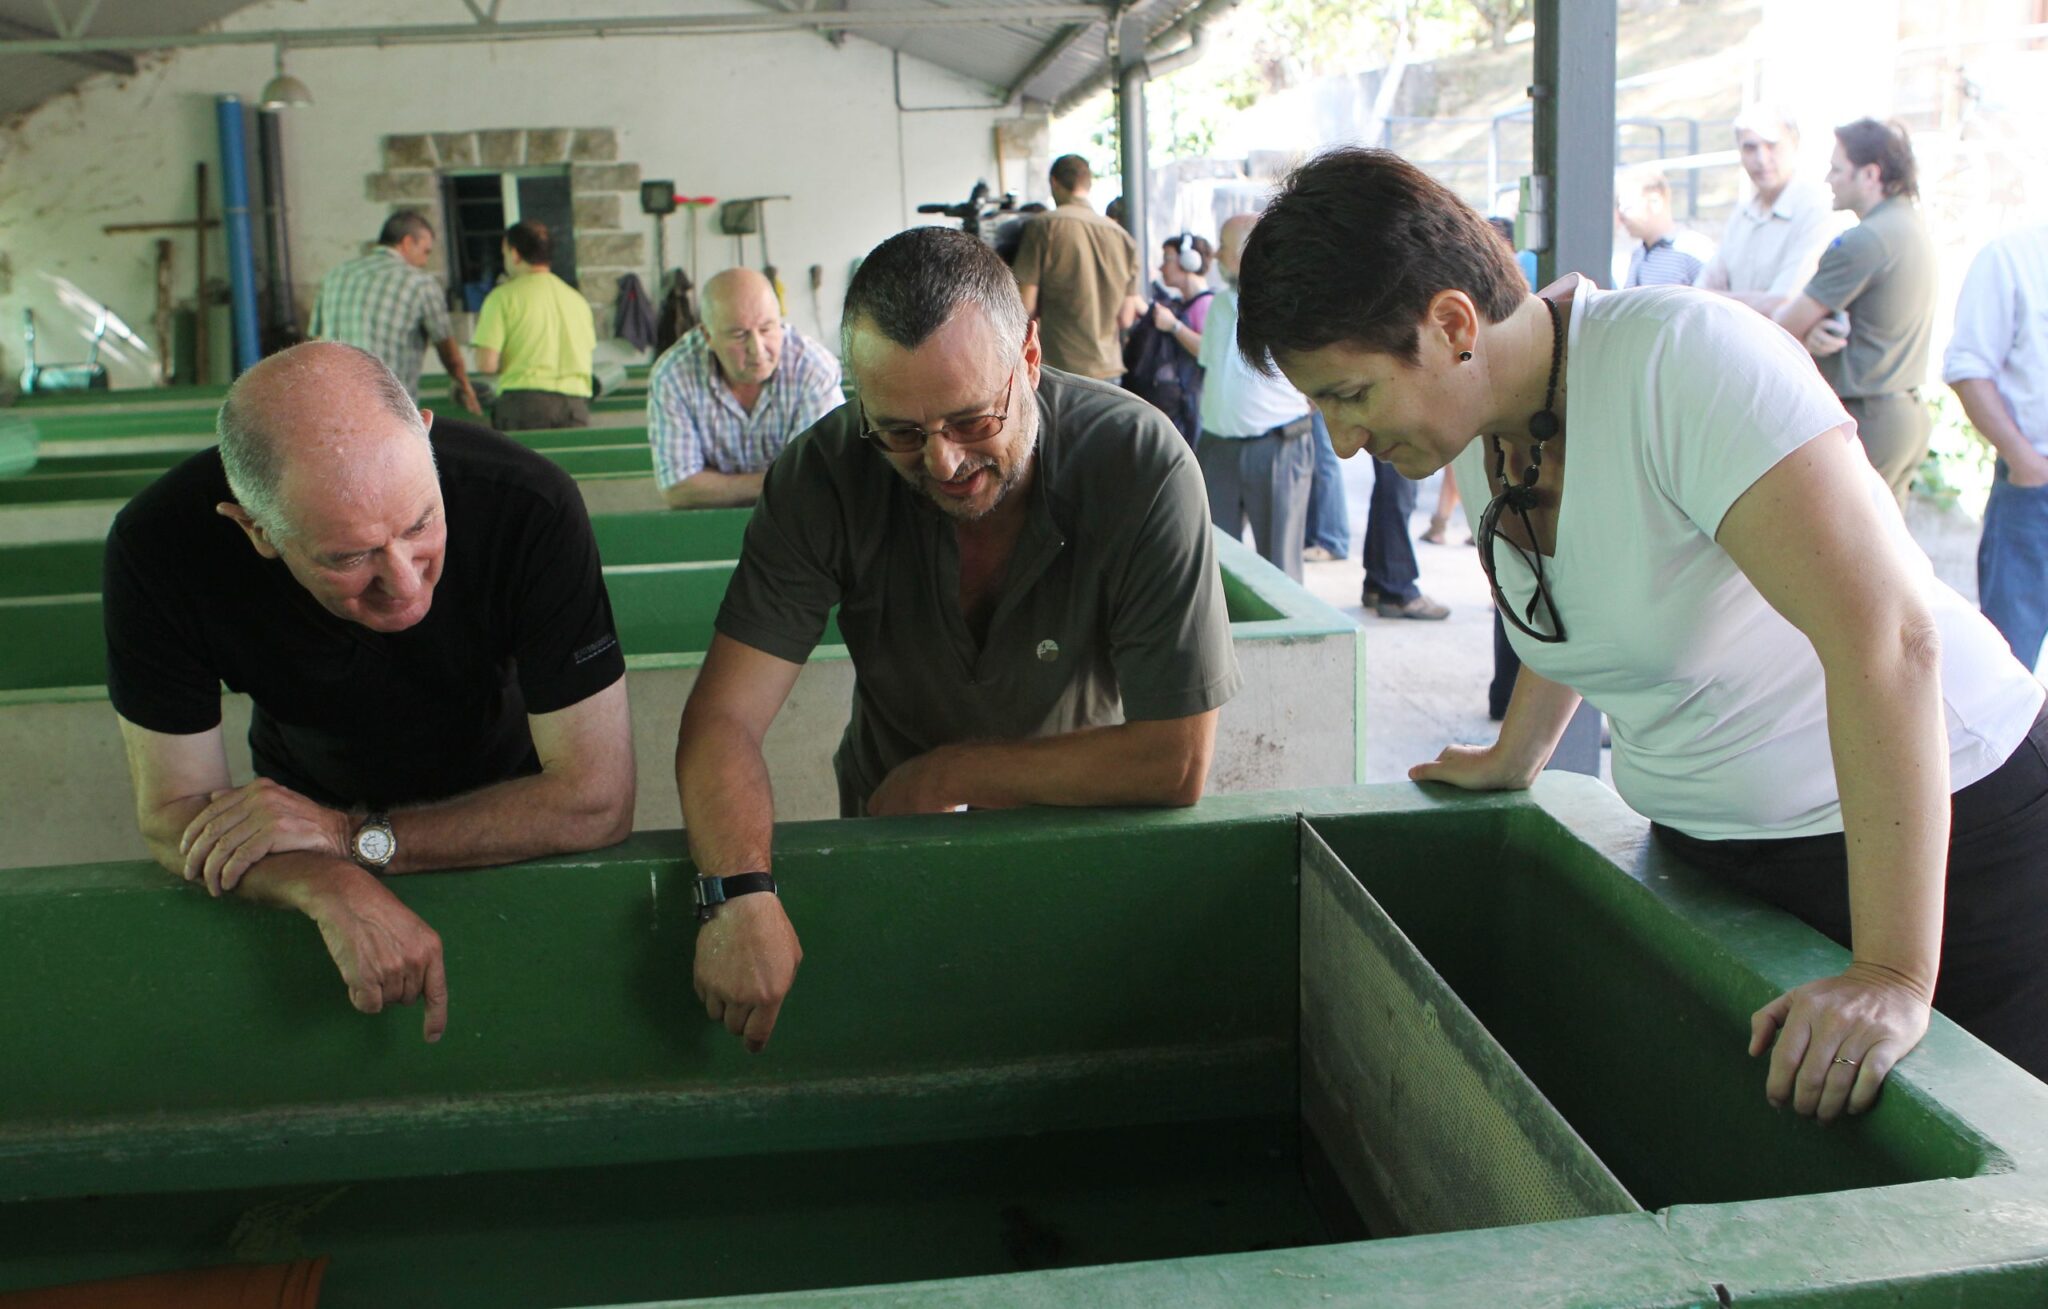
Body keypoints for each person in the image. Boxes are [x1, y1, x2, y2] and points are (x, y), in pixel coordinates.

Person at [1236, 147, 2048, 1119]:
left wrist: (1890, 969)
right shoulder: (1491, 419)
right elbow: (1581, 598)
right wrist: (1515, 750)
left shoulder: (1684, 362)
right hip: (1725, 855)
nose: (1338, 440)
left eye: (1348, 394)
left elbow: (1888, 637)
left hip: (1951, 839)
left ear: (1452, 324)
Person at [675, 226, 1242, 1052]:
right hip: (887, 830)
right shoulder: (823, 474)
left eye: (974, 419)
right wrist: (738, 891)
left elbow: (1177, 760)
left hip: (1075, 829)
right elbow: (722, 719)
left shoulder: (1139, 464)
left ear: (1032, 360)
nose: (942, 462)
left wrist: (952, 771)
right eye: (899, 431)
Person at [102, 341, 635, 1041]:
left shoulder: (530, 503)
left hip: (508, 799)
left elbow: (595, 799)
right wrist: (323, 879)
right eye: (348, 557)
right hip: (298, 815)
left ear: (428, 435)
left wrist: (353, 842)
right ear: (255, 530)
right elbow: (174, 812)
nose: (407, 584)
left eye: (421, 525)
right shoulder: (158, 548)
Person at [1775, 119, 1938, 504]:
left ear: (1870, 174)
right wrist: (1818, 332)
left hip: (1870, 417)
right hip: (1901, 411)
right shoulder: (1909, 224)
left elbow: (1783, 329)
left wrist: (1807, 331)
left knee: (1842, 556)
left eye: (1836, 168)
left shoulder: (1867, 240)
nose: (1828, 178)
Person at [646, 267, 844, 509]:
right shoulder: (673, 375)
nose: (757, 349)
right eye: (739, 334)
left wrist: (712, 481)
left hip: (800, 524)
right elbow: (678, 489)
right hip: (709, 526)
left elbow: (821, 482)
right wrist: (785, 481)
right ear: (707, 336)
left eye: (767, 329)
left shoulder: (814, 369)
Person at [1945, 224, 2048, 670]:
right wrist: (2026, 464)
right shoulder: (2011, 257)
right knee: (2010, 670)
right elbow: (1968, 368)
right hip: (2035, 490)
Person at [1192, 213, 1317, 581]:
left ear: (1247, 253)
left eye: (1224, 248)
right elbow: (1211, 368)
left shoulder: (1290, 304)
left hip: (1277, 446)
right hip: (1218, 448)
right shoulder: (1219, 305)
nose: (1214, 255)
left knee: (1280, 566)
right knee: (1214, 563)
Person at [307, 209, 481, 415]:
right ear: (407, 242)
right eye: (425, 251)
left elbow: (315, 342)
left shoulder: (335, 276)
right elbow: (447, 349)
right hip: (390, 409)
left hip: (337, 404)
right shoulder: (420, 283)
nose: (425, 262)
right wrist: (464, 385)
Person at [1693, 107, 1845, 317]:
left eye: (1772, 146)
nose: (1761, 159)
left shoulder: (1816, 209)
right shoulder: (1742, 213)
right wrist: (1758, 299)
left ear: (1794, 145)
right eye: (1750, 148)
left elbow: (1784, 302)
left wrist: (1718, 297)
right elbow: (1697, 292)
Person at [1012, 155, 1143, 382]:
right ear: (1088, 185)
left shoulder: (1044, 226)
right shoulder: (1123, 238)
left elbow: (1026, 307)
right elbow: (1126, 319)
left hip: (1061, 370)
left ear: (1054, 182)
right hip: (1109, 371)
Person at [471, 220, 597, 431]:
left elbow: (487, 364)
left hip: (525, 405)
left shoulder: (503, 298)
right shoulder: (577, 300)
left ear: (515, 254)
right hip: (576, 405)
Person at [1126, 232, 1215, 444]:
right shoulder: (1182, 303)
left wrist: (1174, 326)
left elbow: (1207, 351)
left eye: (1167, 259)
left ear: (1188, 261)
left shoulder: (1206, 304)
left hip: (1192, 409)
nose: (1161, 267)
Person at [1616, 168, 1716, 288]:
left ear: (1655, 201)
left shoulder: (1693, 250)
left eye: (1627, 207)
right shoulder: (1638, 254)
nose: (1621, 217)